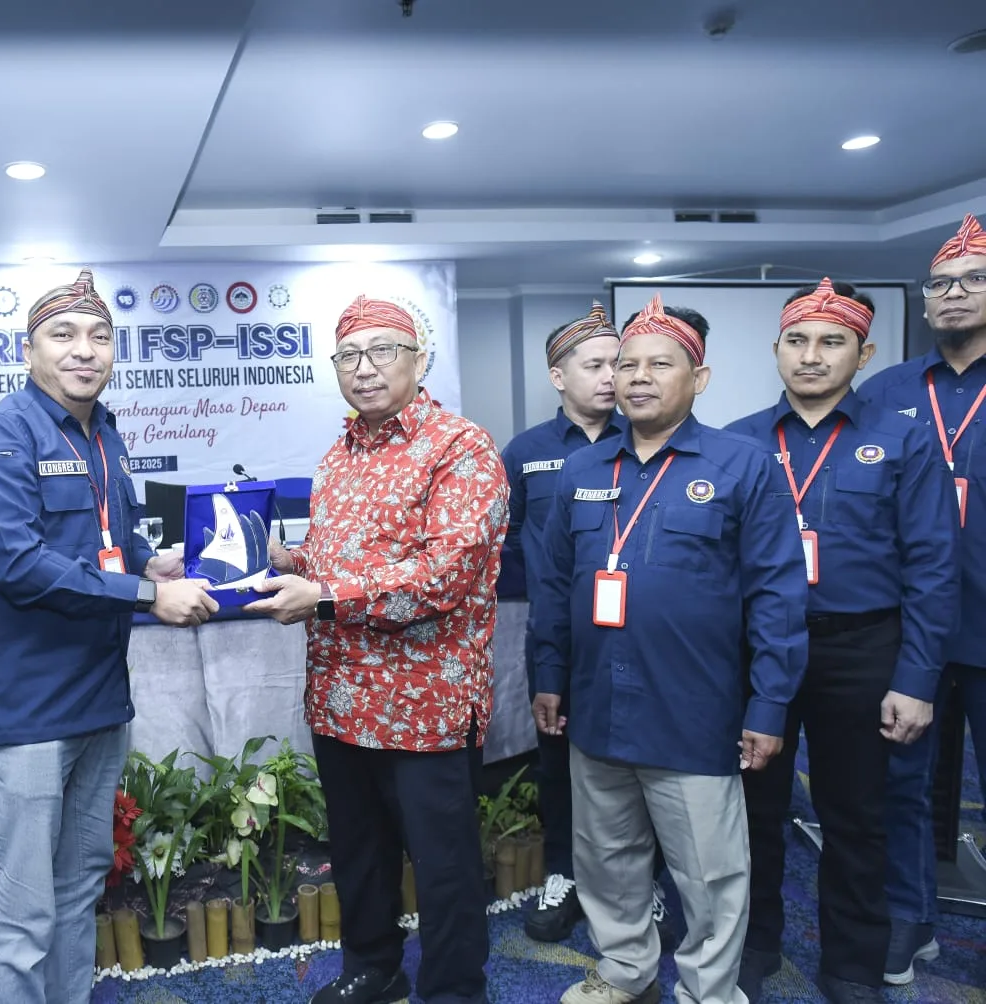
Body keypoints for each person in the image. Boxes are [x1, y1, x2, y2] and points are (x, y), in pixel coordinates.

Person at [0, 268, 217, 1004]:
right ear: (27, 350)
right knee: (23, 908)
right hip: (28, 710)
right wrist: (148, 595)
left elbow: (108, 542)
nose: (84, 350)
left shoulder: (106, 434)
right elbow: (20, 565)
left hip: (99, 700)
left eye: (100, 335)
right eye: (62, 334)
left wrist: (150, 564)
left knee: (78, 888)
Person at [533, 296, 808, 1004]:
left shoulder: (743, 466)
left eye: (660, 364)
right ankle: (626, 970)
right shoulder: (583, 470)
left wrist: (770, 704)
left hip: (693, 708)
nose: (637, 377)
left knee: (710, 871)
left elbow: (777, 596)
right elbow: (554, 585)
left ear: (700, 378)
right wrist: (548, 675)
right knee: (606, 856)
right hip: (597, 702)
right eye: (627, 364)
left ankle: (710, 989)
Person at [247, 294, 506, 1004]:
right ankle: (374, 967)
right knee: (359, 851)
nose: (364, 369)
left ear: (419, 361)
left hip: (425, 705)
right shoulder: (339, 455)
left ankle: (455, 991)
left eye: (383, 351)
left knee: (444, 865)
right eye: (349, 356)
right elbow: (343, 562)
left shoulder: (460, 447)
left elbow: (445, 574)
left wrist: (325, 596)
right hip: (341, 698)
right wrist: (295, 564)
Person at [726, 279, 958, 1003]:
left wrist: (916, 678)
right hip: (758, 651)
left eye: (832, 342)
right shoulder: (737, 442)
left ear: (866, 353)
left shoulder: (904, 438)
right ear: (776, 349)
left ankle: (853, 962)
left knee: (857, 814)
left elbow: (933, 564)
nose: (812, 356)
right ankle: (753, 942)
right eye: (797, 341)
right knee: (752, 808)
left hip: (862, 648)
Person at [503, 303, 677, 945]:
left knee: (645, 762)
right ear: (558, 376)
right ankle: (564, 872)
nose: (612, 377)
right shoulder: (526, 452)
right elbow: (508, 543)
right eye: (597, 365)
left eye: (618, 364)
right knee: (559, 761)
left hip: (644, 639)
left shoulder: (654, 440)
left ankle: (644, 879)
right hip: (562, 638)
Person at [857, 213, 986, 985]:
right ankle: (910, 917)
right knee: (901, 783)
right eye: (941, 283)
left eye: (974, 279)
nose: (955, 293)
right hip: (908, 629)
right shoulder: (887, 391)